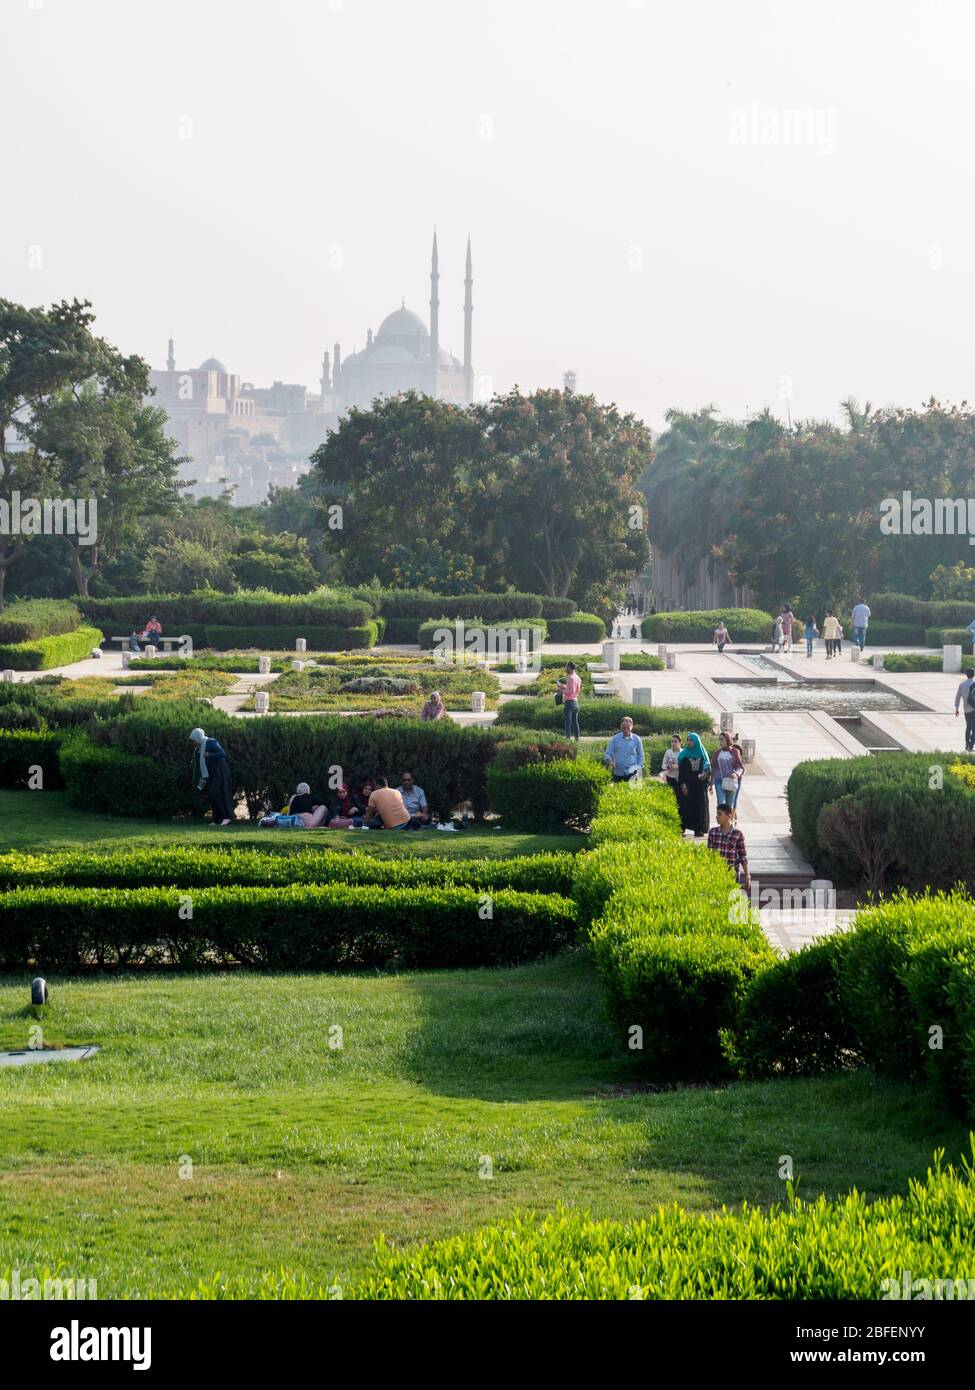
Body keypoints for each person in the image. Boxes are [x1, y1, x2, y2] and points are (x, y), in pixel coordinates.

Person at [189, 727, 234, 827]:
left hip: (219, 771)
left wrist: (209, 755)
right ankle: (217, 820)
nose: (193, 743)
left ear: (198, 737)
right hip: (211, 773)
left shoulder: (211, 742)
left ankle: (226, 817)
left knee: (216, 794)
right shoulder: (200, 747)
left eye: (194, 740)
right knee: (212, 795)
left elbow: (222, 753)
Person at [707, 802, 751, 893]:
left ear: (728, 816)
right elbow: (709, 854)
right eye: (717, 814)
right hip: (716, 873)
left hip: (732, 873)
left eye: (720, 814)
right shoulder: (713, 832)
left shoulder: (738, 834)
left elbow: (742, 856)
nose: (717, 816)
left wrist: (747, 876)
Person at [676, 731, 711, 837]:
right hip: (686, 785)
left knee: (699, 806)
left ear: (696, 741)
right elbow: (681, 773)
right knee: (684, 806)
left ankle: (698, 829)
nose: (689, 742)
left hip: (699, 785)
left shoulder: (702, 754)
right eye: (688, 740)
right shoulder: (683, 755)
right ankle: (681, 829)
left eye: (691, 740)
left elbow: (707, 767)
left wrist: (705, 773)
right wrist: (683, 785)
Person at [261, 782, 329, 829]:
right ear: (307, 790)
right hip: (307, 823)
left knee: (315, 807)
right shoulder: (309, 796)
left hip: (295, 820)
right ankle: (325, 823)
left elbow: (289, 812)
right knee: (323, 807)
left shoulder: (293, 798)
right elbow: (324, 803)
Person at [604, 716, 644, 783]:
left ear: (631, 727)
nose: (625, 729)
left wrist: (638, 769)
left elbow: (641, 755)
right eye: (623, 727)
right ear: (621, 726)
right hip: (618, 772)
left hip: (632, 772)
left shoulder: (637, 739)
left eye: (628, 727)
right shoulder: (615, 739)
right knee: (618, 792)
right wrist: (610, 761)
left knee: (632, 792)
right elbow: (608, 753)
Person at [713, 730, 744, 811]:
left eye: (722, 739)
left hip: (731, 781)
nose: (720, 741)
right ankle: (721, 822)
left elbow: (739, 767)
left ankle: (727, 822)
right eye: (719, 739)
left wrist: (736, 774)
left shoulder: (734, 752)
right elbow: (714, 768)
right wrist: (711, 782)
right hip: (719, 781)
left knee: (729, 806)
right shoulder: (717, 753)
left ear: (728, 740)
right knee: (721, 803)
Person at [954, 667, 975, 752]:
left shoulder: (962, 684)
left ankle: (967, 744)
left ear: (966, 675)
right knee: (974, 728)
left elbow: (958, 697)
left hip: (966, 710)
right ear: (973, 675)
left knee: (968, 727)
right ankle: (971, 745)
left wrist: (957, 708)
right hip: (974, 709)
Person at [559, 661, 582, 741]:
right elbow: (575, 690)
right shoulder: (578, 677)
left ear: (570, 667)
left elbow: (571, 691)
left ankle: (567, 741)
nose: (566, 669)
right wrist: (565, 687)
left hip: (569, 703)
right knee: (575, 723)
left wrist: (563, 690)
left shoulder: (571, 678)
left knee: (567, 724)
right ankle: (577, 740)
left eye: (566, 667)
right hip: (575, 702)